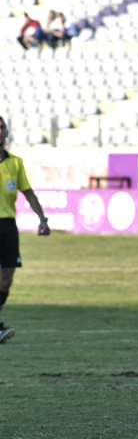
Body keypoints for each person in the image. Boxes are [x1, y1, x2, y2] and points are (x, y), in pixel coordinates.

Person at [0, 115, 50, 344]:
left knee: (7, 278)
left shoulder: (15, 163)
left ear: (7, 133)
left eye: (2, 128)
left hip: (8, 226)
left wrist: (42, 218)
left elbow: (28, 192)